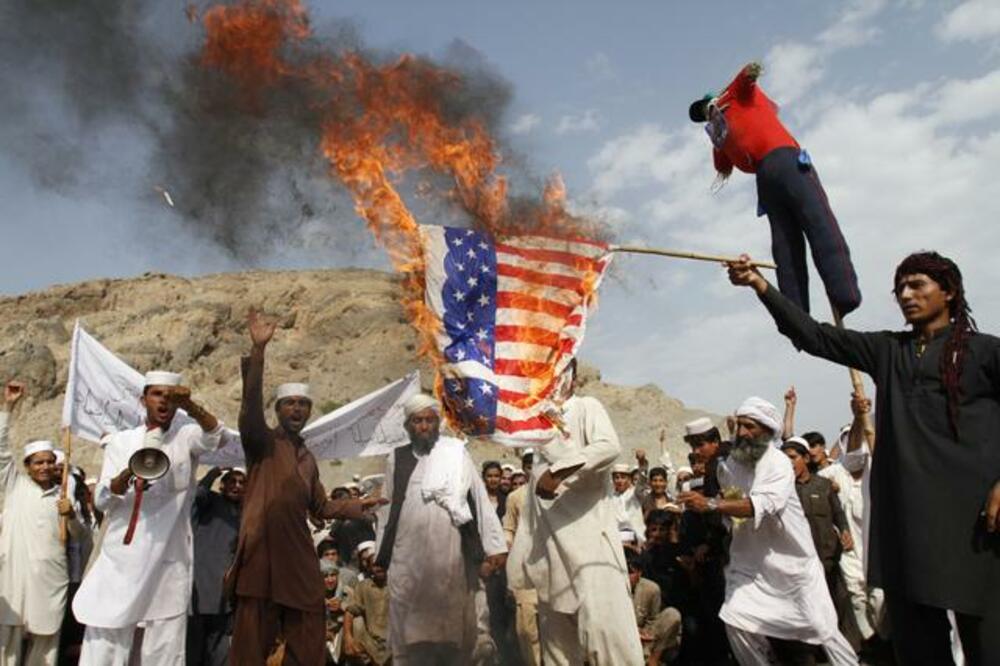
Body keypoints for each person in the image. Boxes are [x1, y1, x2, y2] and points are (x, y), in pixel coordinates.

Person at [729, 251, 1000, 664]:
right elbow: (814, 335)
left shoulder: (986, 352)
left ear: (948, 292)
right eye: (900, 288)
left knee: (988, 643)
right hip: (907, 524)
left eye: (918, 285)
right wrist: (760, 286)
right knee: (918, 646)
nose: (906, 295)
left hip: (976, 519)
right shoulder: (888, 350)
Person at [228, 310, 381, 665]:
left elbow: (321, 507)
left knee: (309, 635)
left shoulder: (308, 459)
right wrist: (259, 351)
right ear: (279, 410)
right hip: (261, 555)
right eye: (290, 404)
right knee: (250, 644)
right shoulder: (262, 442)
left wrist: (360, 506)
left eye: (302, 405)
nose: (296, 409)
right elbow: (249, 410)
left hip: (296, 556)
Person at [681, 397, 857, 665]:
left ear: (767, 431)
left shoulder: (778, 464)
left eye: (749, 426)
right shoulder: (728, 468)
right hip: (751, 567)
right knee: (735, 620)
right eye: (739, 425)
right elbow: (731, 506)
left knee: (822, 629)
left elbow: (760, 505)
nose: (742, 433)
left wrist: (712, 504)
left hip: (792, 567)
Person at [71, 370, 222, 665]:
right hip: (124, 558)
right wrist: (126, 475)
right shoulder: (120, 442)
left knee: (163, 645)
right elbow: (102, 500)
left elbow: (216, 435)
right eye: (157, 394)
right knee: (108, 636)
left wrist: (191, 406)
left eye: (171, 396)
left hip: (169, 558)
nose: (164, 401)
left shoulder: (185, 436)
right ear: (143, 400)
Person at [689, 61, 861, 317]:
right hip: (786, 162)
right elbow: (746, 77)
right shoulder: (725, 113)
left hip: (765, 178)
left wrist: (750, 74)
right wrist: (750, 73)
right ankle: (843, 293)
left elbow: (723, 167)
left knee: (786, 243)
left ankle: (796, 317)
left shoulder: (720, 127)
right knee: (818, 222)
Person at [507, 360, 644, 666]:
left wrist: (559, 472)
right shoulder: (537, 426)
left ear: (574, 377)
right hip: (550, 555)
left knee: (607, 637)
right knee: (558, 647)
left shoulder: (585, 407)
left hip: (591, 551)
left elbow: (608, 447)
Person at [374, 394, 506, 665]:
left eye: (429, 420)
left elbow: (478, 498)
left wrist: (494, 547)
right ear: (408, 426)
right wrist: (381, 557)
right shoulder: (396, 459)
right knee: (408, 637)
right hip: (406, 558)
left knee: (455, 635)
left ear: (437, 423)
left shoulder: (455, 453)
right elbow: (387, 510)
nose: (424, 426)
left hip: (451, 556)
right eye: (417, 421)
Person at [0, 381, 82, 666]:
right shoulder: (15, 486)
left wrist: (70, 515)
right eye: (38, 463)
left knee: (46, 642)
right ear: (28, 466)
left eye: (49, 462)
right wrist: (8, 409)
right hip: (15, 576)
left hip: (50, 577)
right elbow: (1, 451)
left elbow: (82, 537)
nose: (45, 467)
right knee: (7, 642)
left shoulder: (64, 496)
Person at [782, 437, 861, 652]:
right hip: (802, 565)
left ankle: (851, 651)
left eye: (793, 458)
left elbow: (838, 514)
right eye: (785, 459)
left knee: (840, 605)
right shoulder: (784, 491)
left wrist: (844, 531)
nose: (789, 463)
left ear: (806, 458)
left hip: (829, 559)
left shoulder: (824, 485)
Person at [187, 466, 245, 666]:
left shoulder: (245, 513)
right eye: (232, 481)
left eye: (241, 482)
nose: (237, 486)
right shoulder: (210, 501)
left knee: (219, 652)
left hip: (224, 596)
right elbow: (197, 494)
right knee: (193, 651)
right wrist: (213, 472)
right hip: (198, 591)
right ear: (222, 485)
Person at [502, 464, 539, 666]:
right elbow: (509, 528)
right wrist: (509, 547)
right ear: (525, 468)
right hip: (525, 571)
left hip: (555, 573)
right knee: (526, 629)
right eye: (531, 465)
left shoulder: (561, 493)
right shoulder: (515, 497)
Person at [626, 551, 682, 665]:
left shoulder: (651, 589)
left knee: (672, 615)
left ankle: (653, 660)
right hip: (623, 635)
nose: (626, 577)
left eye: (630, 572)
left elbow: (652, 620)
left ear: (639, 572)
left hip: (644, 637)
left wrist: (644, 633)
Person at [342, 562, 390, 666]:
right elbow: (350, 611)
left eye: (382, 563)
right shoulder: (363, 586)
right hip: (371, 644)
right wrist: (348, 638)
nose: (379, 567)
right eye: (375, 564)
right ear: (370, 567)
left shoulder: (399, 585)